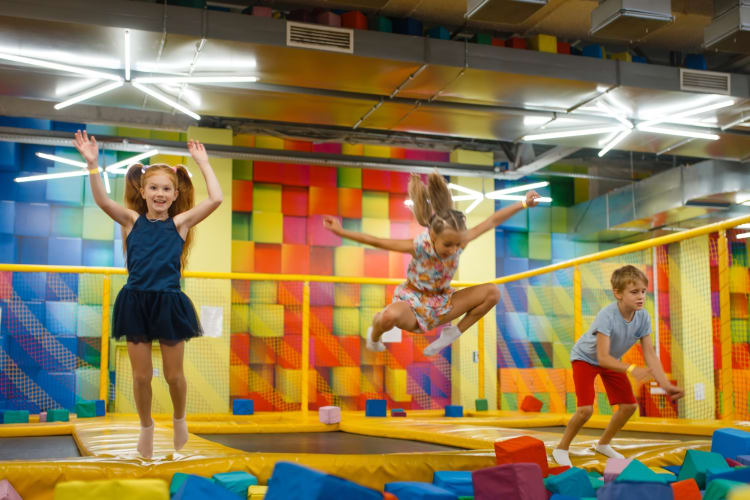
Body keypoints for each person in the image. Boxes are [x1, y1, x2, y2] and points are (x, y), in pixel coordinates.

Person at [73, 130, 223, 459]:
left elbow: (215, 199)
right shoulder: (131, 221)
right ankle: (146, 427)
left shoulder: (181, 224)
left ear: (174, 194)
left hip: (169, 301)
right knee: (141, 376)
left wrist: (204, 164)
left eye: (166, 189)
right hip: (136, 300)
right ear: (142, 191)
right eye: (153, 187)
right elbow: (101, 200)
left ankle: (180, 419)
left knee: (173, 375)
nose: (159, 193)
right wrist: (93, 164)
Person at [323, 172, 540, 355]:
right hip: (412, 304)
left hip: (443, 303)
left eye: (458, 245)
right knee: (386, 316)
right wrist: (341, 231)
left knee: (492, 292)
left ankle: (452, 334)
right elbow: (376, 241)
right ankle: (374, 337)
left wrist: (523, 203)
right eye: (448, 245)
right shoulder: (419, 246)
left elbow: (492, 220)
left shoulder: (460, 240)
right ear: (432, 237)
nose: (454, 250)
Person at [552, 265, 684, 467]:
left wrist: (665, 384)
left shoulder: (643, 316)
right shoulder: (607, 315)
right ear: (618, 294)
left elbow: (649, 353)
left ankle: (603, 444)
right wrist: (632, 369)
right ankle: (561, 448)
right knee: (585, 410)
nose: (640, 296)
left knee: (629, 406)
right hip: (586, 358)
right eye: (634, 292)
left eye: (643, 291)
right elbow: (602, 358)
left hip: (610, 360)